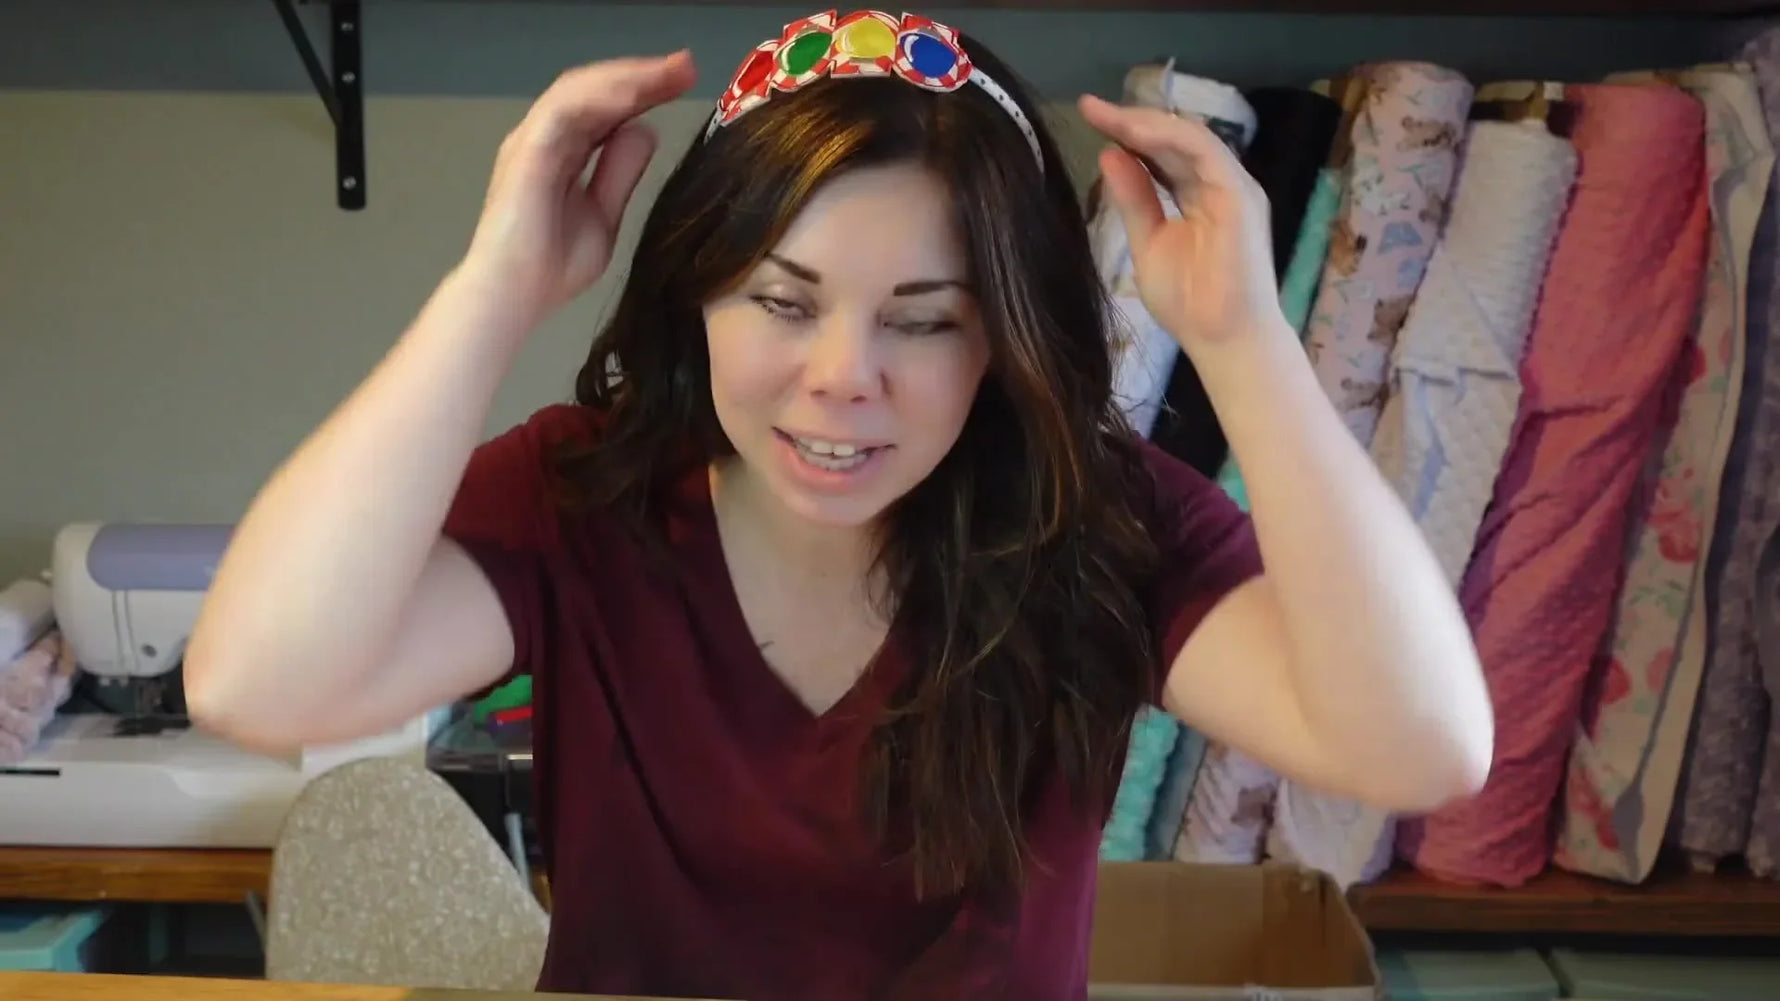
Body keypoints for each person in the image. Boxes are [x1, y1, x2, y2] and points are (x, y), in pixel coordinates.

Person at [186, 11, 1491, 1000]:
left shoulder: (1086, 519)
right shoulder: (590, 490)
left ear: (1002, 346)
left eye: (924, 322)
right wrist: (498, 280)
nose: (841, 381)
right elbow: (257, 684)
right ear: (699, 295)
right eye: (782, 300)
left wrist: (1245, 339)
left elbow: (1421, 747)